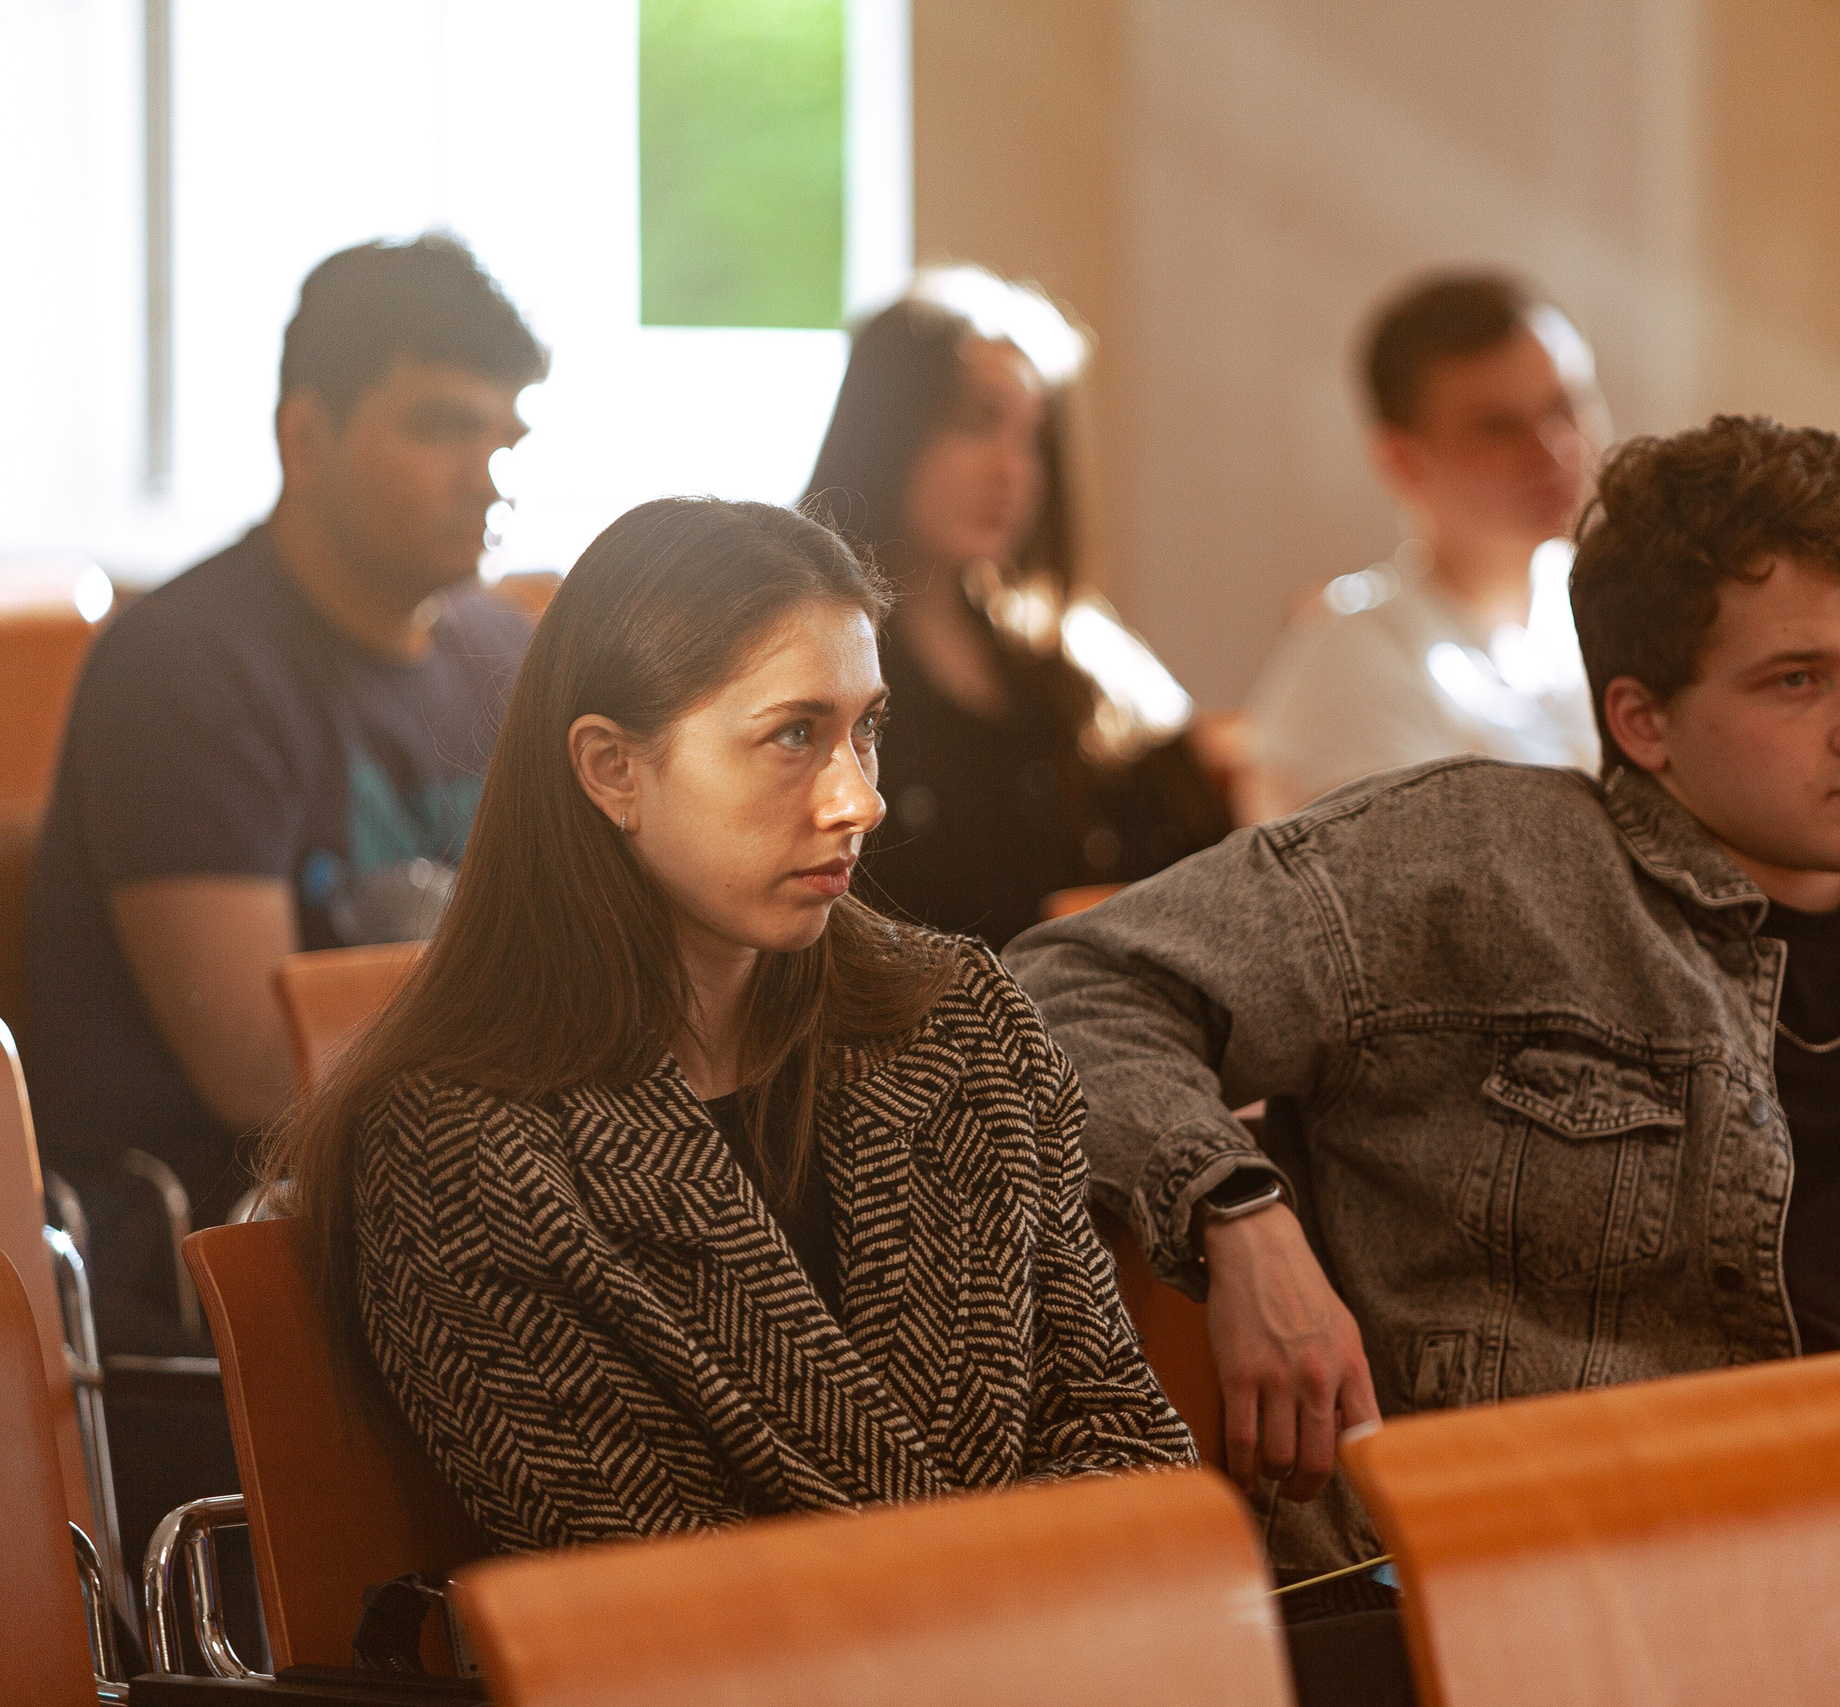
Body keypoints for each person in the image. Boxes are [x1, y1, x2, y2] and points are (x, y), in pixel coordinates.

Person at [1015, 416, 1840, 1706]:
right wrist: (1237, 1213)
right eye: (1795, 679)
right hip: (1497, 1571)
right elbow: (1059, 986)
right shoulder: (1475, 863)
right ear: (1643, 721)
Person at [263, 496, 1193, 1553]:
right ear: (613, 769)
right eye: (793, 736)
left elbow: (1125, 1447)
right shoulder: (463, 1152)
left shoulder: (956, 1024)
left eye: (865, 730)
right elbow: (663, 1603)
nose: (860, 800)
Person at [24, 233, 545, 1345]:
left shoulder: (509, 659)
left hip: (447, 1215)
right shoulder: (185, 670)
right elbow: (259, 1075)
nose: (489, 476)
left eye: (506, 434)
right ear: (304, 435)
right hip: (204, 1266)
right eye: (443, 427)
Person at [802, 266, 1228, 947]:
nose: (1012, 470)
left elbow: (1208, 857)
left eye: (1033, 436)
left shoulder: (1078, 652)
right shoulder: (802, 652)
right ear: (889, 428)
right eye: (978, 424)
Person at [1245, 271, 1606, 815]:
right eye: (1499, 427)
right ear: (1403, 461)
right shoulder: (1356, 662)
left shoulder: (1613, 606)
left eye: (1564, 406)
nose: (1554, 451)